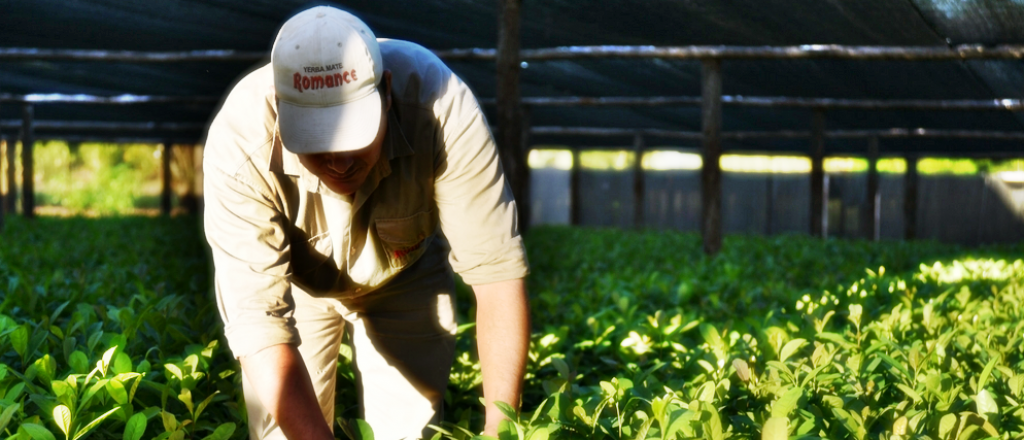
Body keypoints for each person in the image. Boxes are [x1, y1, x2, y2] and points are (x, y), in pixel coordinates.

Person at [202, 5, 530, 440]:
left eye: (354, 136)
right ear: (281, 111)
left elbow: (497, 278)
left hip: (405, 277)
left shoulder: (440, 104)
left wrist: (501, 431)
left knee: (408, 431)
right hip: (299, 288)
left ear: (387, 93)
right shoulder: (241, 145)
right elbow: (260, 328)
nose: (338, 162)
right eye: (316, 141)